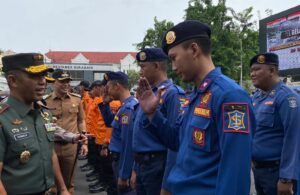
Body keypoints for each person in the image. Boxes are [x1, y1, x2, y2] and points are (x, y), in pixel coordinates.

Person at [136, 20, 255, 194]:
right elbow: (176, 141)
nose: (174, 67)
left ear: (194, 49)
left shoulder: (229, 96)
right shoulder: (196, 95)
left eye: (174, 58)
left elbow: (235, 172)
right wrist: (153, 114)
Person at [0, 53, 71, 195]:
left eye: (43, 75)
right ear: (13, 80)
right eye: (34, 76)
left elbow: (50, 154)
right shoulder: (3, 120)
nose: (43, 82)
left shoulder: (45, 115)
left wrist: (63, 189)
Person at [132, 48, 184, 195]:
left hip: (158, 166)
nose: (140, 71)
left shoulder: (172, 93)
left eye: (143, 67)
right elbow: (140, 136)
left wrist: (168, 183)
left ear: (156, 66)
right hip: (143, 165)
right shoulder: (148, 93)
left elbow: (175, 143)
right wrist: (136, 169)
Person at [250, 53, 300, 195]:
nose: (252, 74)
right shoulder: (257, 97)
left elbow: (294, 139)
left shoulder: (287, 98)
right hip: (259, 171)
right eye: (251, 71)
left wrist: (286, 178)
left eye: (257, 69)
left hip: (276, 173)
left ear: (272, 71)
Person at [44, 69, 88, 194]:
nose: (66, 84)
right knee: (51, 184)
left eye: (68, 81)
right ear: (54, 83)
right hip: (51, 146)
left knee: (69, 183)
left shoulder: (77, 100)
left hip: (71, 147)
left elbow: (81, 121)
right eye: (62, 81)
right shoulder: (45, 101)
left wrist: (84, 143)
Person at [101, 71, 138, 195]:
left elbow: (128, 145)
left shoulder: (129, 109)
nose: (108, 91)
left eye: (109, 87)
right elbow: (109, 122)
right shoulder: (124, 107)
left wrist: (124, 174)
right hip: (118, 161)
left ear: (117, 86)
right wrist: (105, 104)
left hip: (123, 161)